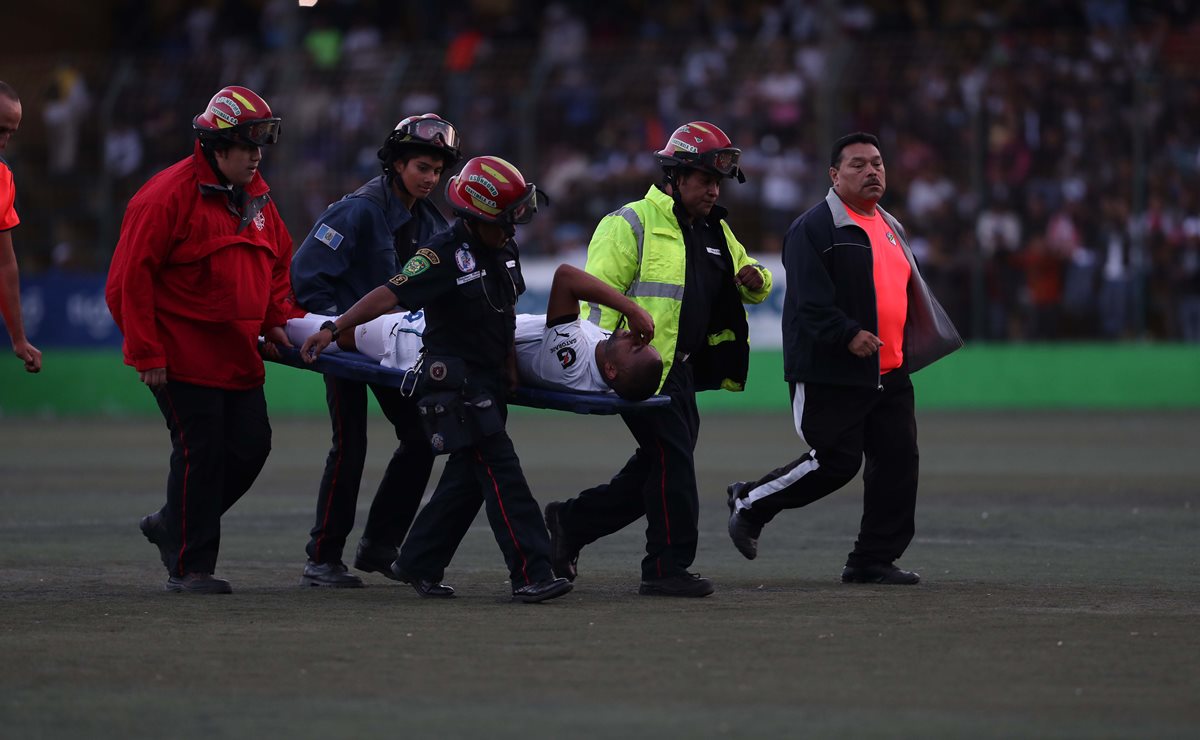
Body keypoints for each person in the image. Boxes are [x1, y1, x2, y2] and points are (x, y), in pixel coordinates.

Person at [301, 155, 573, 603]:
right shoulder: (440, 254)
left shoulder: (505, 247)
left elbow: (505, 312)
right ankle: (532, 571)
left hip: (490, 380)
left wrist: (508, 366)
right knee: (502, 472)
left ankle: (418, 563)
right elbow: (388, 294)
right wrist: (334, 327)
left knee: (466, 480)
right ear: (477, 215)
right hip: (456, 385)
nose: (514, 227)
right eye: (508, 218)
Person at [542, 122, 773, 597]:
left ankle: (570, 522)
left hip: (681, 370)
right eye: (704, 180)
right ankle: (666, 566)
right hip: (639, 369)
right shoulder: (629, 223)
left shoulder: (716, 230)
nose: (713, 189)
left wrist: (757, 278)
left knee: (656, 467)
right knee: (672, 464)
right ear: (675, 176)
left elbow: (756, 279)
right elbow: (594, 302)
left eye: (717, 182)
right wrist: (609, 364)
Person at [726, 132, 962, 585]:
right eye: (858, 165)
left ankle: (872, 560)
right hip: (831, 372)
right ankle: (750, 502)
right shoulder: (812, 228)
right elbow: (809, 304)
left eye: (877, 163)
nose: (871, 171)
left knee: (897, 465)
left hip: (888, 373)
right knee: (835, 462)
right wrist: (848, 333)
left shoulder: (891, 226)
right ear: (834, 176)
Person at [105, 86, 293, 594]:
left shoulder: (257, 198)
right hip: (182, 359)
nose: (257, 156)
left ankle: (173, 521)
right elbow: (127, 283)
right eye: (247, 146)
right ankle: (191, 567)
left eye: (260, 146)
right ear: (216, 145)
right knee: (201, 453)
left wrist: (276, 319)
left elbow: (277, 260)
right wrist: (146, 353)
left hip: (238, 357)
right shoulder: (164, 196)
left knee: (252, 448)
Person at [289, 114, 459, 588]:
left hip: (391, 346)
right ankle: (322, 559)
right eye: (422, 167)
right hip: (342, 343)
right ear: (397, 164)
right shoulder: (357, 210)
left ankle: (379, 547)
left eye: (437, 171)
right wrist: (338, 330)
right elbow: (305, 277)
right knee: (351, 446)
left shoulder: (428, 218)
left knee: (421, 437)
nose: (431, 178)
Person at [285, 263, 663, 400]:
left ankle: (267, 328)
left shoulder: (573, 361)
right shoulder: (604, 363)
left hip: (418, 340)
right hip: (456, 333)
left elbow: (565, 276)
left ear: (613, 372)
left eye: (635, 347)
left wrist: (630, 308)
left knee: (322, 332)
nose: (634, 336)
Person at [0, 81, 41, 373]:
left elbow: (4, 263)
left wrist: (18, 338)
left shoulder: (2, 178)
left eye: (10, 134)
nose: (3, 142)